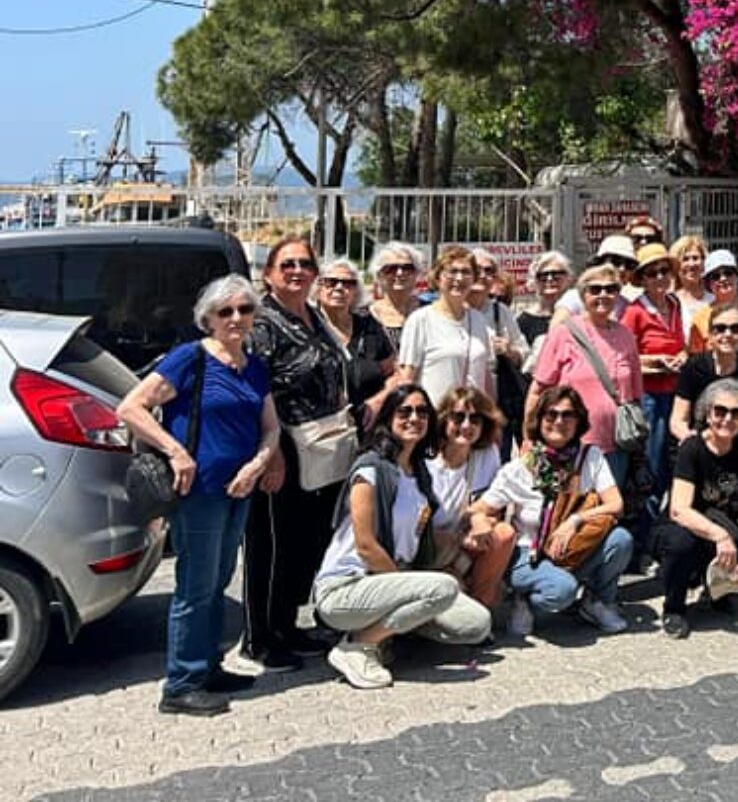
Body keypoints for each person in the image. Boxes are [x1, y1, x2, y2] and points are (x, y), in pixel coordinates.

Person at [118, 274, 279, 716]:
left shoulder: (253, 366)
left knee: (219, 579)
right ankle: (181, 683)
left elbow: (271, 427)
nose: (236, 318)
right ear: (207, 318)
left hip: (238, 489)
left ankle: (208, 665)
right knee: (195, 584)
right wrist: (176, 453)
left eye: (244, 310)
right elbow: (130, 407)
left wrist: (257, 464)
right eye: (225, 311)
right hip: (199, 491)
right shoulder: (191, 359)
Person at [311, 388, 493, 688]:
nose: (414, 418)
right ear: (388, 418)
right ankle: (358, 645)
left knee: (476, 624)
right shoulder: (372, 469)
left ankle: (387, 633)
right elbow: (366, 546)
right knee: (441, 588)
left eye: (422, 412)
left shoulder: (419, 474)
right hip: (346, 587)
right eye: (404, 411)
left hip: (391, 581)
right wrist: (410, 588)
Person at [243, 237, 355, 671]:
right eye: (287, 264)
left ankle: (287, 623)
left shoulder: (314, 317)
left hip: (320, 445)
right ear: (269, 273)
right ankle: (260, 637)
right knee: (269, 544)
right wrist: (270, 454)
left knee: (302, 542)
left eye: (305, 264)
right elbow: (257, 389)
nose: (297, 271)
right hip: (281, 444)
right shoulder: (263, 322)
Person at [471, 386, 634, 636]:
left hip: (572, 547)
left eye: (568, 415)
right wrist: (481, 522)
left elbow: (615, 504)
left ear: (579, 420)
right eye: (551, 414)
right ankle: (523, 598)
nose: (559, 421)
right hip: (529, 552)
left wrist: (575, 521)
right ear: (539, 419)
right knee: (562, 591)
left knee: (621, 540)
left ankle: (596, 601)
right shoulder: (520, 468)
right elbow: (481, 508)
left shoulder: (590, 457)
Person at [656, 379, 738, 639]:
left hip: (722, 528)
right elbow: (679, 510)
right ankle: (674, 607)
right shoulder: (692, 448)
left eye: (736, 412)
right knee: (681, 545)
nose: (727, 419)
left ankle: (717, 591)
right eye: (719, 411)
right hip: (686, 528)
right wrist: (720, 536)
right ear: (707, 414)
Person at [527, 264, 645, 490]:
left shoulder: (626, 336)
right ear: (582, 295)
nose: (603, 295)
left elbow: (635, 395)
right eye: (595, 289)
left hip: (615, 446)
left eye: (611, 289)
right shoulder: (564, 333)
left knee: (607, 512)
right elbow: (538, 390)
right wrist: (529, 439)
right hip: (571, 445)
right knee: (568, 508)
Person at [426, 386, 516, 612]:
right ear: (444, 419)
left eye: (475, 419)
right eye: (458, 417)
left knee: (503, 533)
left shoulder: (487, 455)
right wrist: (455, 540)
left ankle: (480, 605)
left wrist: (478, 518)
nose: (466, 425)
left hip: (464, 542)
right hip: (429, 547)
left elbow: (493, 507)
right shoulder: (426, 461)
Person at [623, 240, 687, 549]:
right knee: (651, 465)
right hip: (649, 394)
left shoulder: (674, 305)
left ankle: (659, 534)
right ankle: (641, 540)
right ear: (643, 279)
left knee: (672, 465)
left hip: (675, 392)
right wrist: (655, 362)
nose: (660, 277)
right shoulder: (635, 312)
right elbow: (625, 355)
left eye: (664, 271)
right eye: (652, 273)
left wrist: (682, 357)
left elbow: (682, 343)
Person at [397, 247, 516, 406]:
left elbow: (485, 377)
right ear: (438, 278)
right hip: (436, 419)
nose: (459, 278)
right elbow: (407, 377)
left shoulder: (478, 320)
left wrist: (491, 417)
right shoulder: (420, 320)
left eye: (466, 272)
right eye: (452, 271)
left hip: (471, 420)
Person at [315, 257, 397, 429]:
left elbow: (395, 373)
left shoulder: (368, 326)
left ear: (356, 291)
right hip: (322, 431)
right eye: (331, 282)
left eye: (348, 283)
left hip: (370, 425)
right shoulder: (307, 327)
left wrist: (378, 401)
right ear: (318, 288)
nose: (339, 287)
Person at [671, 305, 738, 442]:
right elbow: (677, 421)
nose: (728, 334)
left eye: (735, 329)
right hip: (702, 446)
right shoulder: (693, 366)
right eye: (720, 329)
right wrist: (694, 444)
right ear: (710, 334)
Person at [467, 249, 530, 428]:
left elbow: (523, 355)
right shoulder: (454, 309)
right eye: (477, 269)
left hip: (497, 403)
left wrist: (509, 351)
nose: (483, 275)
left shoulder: (501, 312)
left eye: (489, 271)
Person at [686, 249, 738, 353]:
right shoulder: (700, 319)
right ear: (709, 284)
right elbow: (695, 358)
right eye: (715, 276)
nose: (723, 279)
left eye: (728, 273)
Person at [515, 251, 574, 353]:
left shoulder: (578, 314)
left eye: (556, 274)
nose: (549, 279)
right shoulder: (523, 321)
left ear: (568, 278)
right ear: (534, 281)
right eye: (543, 275)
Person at [367, 242, 427, 342]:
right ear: (379, 275)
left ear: (417, 273)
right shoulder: (364, 316)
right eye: (391, 269)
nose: (399, 273)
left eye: (407, 268)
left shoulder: (430, 312)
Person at [671, 234, 712, 322]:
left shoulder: (713, 300)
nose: (691, 264)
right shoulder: (670, 301)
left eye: (695, 258)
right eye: (685, 259)